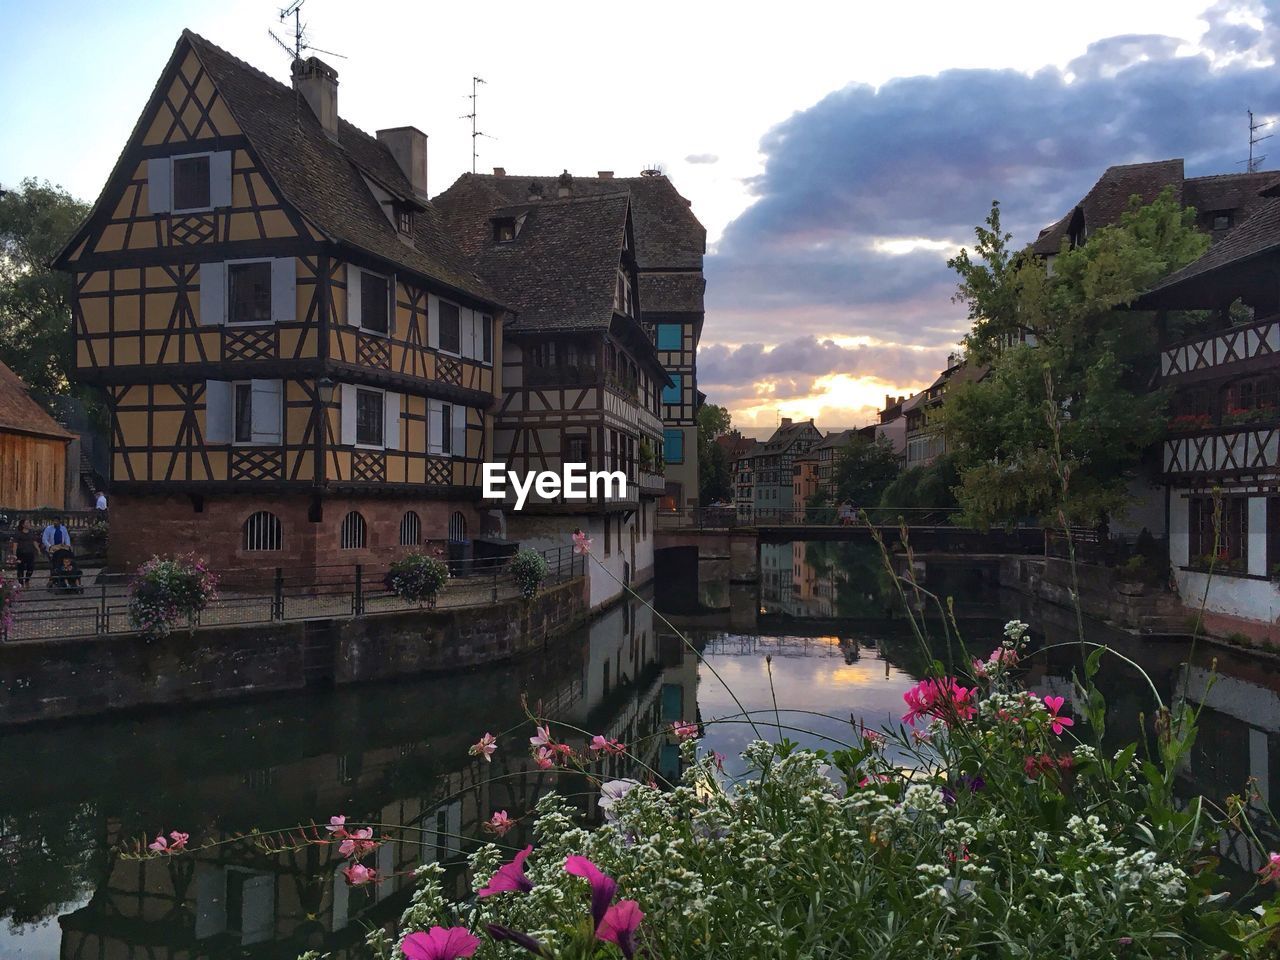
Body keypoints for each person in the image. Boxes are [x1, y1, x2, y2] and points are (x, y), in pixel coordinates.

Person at [12, 519, 37, 589]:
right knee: (20, 569)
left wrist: (38, 549)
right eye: (27, 523)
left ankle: (27, 580)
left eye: (29, 522)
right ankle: (21, 583)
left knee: (30, 568)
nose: (29, 524)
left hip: (30, 553)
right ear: (23, 525)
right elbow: (15, 544)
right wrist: (14, 554)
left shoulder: (31, 532)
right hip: (20, 553)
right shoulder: (18, 533)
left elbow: (34, 541)